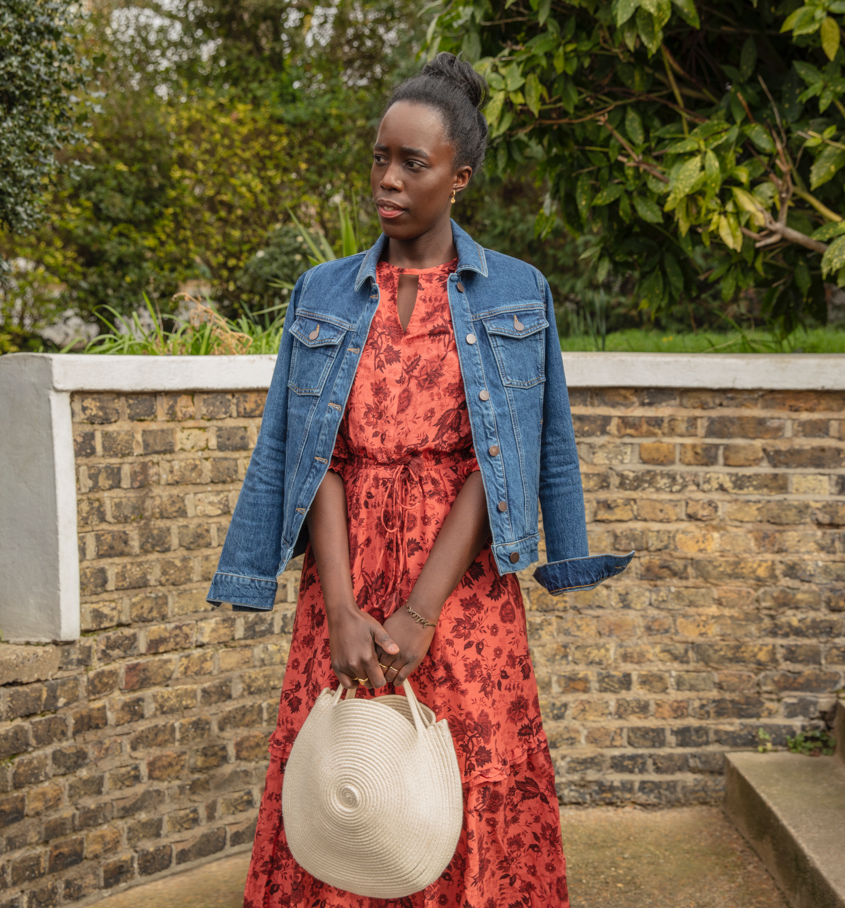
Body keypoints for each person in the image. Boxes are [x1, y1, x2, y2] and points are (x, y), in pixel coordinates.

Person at [207, 52, 633, 908]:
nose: (387, 179)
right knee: (347, 778)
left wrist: (419, 612)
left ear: (460, 177)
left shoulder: (517, 292)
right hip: (347, 567)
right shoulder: (322, 293)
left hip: (462, 581)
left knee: (468, 772)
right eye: (379, 157)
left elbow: (503, 456)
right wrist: (340, 606)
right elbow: (311, 452)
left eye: (413, 163)